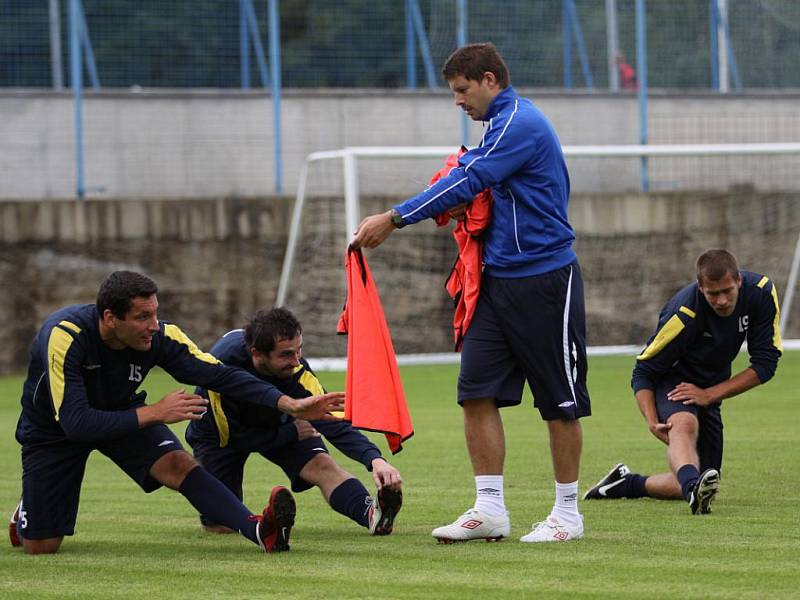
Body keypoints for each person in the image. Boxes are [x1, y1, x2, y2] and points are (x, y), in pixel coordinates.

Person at [350, 42, 590, 543]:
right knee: (475, 392)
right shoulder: (495, 127)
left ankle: (568, 514)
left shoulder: (519, 122)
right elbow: (474, 183)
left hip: (545, 280)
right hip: (496, 284)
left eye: (462, 91)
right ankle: (490, 509)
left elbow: (471, 178)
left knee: (559, 402)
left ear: (488, 79)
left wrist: (394, 218)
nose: (458, 101)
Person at [8, 271, 344, 555]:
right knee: (42, 546)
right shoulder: (65, 336)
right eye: (142, 317)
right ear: (110, 318)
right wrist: (155, 412)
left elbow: (221, 374)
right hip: (55, 430)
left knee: (178, 464)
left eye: (155, 314)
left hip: (122, 411)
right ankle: (29, 510)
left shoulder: (162, 336)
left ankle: (258, 530)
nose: (154, 325)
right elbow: (76, 423)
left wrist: (290, 404)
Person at [584, 249, 783, 514]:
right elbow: (643, 370)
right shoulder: (683, 313)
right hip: (672, 379)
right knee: (685, 425)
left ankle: (626, 484)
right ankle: (693, 492)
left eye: (727, 291)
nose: (722, 300)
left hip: (710, 388)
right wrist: (652, 420)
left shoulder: (761, 293)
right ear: (701, 288)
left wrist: (710, 394)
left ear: (738, 281)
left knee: (705, 478)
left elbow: (765, 364)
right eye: (713, 294)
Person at [185, 307, 403, 536]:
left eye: (299, 351)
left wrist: (375, 459)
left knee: (323, 465)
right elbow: (231, 436)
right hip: (220, 437)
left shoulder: (297, 371)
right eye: (286, 354)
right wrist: (290, 433)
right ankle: (264, 524)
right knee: (221, 525)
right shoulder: (220, 368)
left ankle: (371, 514)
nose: (296, 361)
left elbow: (332, 421)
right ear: (257, 354)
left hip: (279, 424)